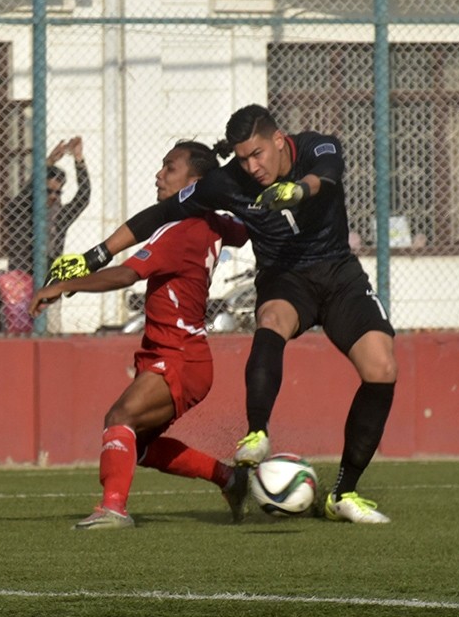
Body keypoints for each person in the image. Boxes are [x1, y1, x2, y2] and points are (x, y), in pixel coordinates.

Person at [48, 104, 398, 524]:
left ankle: (343, 493)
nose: (251, 167)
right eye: (242, 158)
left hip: (339, 272)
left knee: (381, 368)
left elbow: (326, 176)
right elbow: (161, 213)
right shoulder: (226, 182)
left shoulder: (316, 146)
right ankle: (257, 432)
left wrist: (298, 190)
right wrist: (94, 256)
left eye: (258, 155)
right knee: (271, 321)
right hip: (284, 277)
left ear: (278, 139)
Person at [30, 141, 250, 530]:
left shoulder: (181, 231)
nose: (159, 175)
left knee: (120, 417)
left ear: (195, 182)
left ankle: (113, 508)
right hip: (181, 354)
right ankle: (230, 479)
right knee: (141, 447)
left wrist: (67, 285)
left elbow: (127, 274)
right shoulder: (210, 223)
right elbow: (240, 231)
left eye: (170, 168)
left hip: (180, 355)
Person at [6, 136, 91, 276]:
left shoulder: (60, 216)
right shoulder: (22, 211)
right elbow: (26, 192)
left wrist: (79, 159)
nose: (53, 196)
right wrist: (49, 162)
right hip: (21, 277)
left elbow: (84, 197)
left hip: (49, 277)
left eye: (58, 192)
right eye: (48, 191)